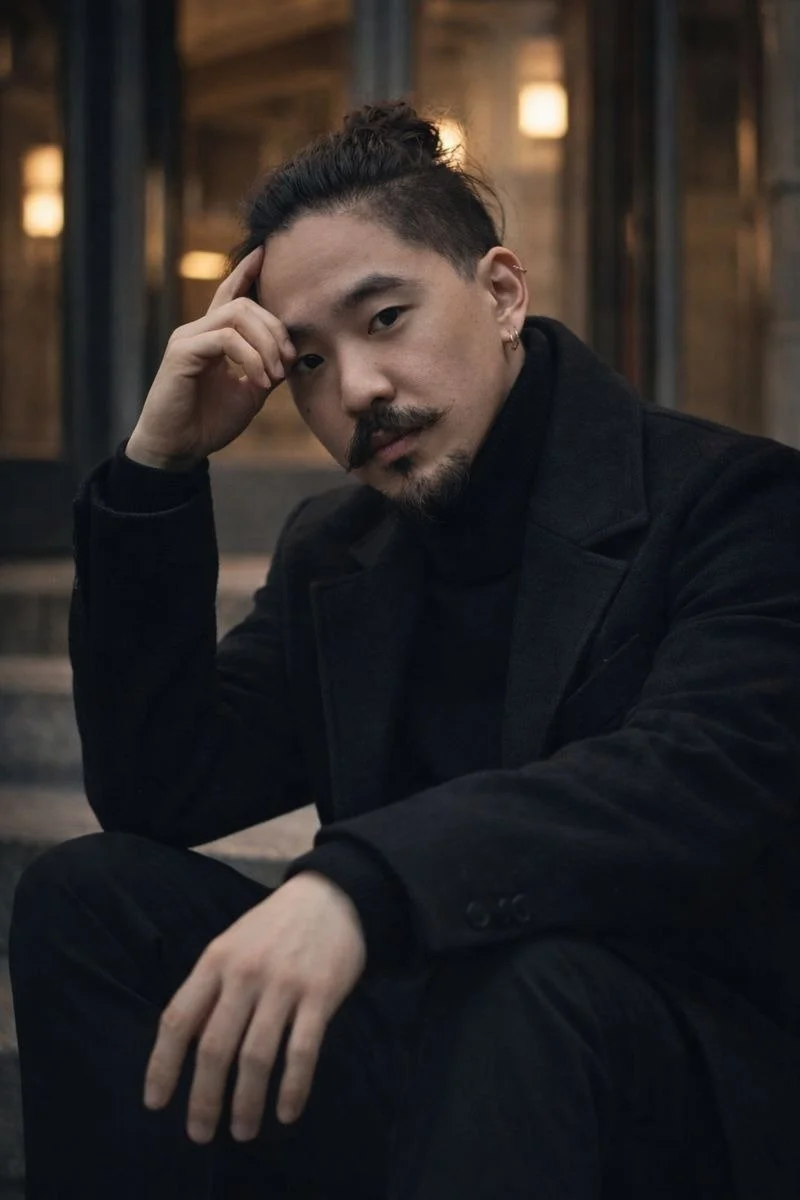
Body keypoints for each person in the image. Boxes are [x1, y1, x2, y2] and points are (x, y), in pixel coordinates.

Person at [9, 99, 800, 1199]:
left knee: (526, 981)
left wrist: (360, 887)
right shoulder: (339, 548)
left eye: (384, 319)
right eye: (307, 363)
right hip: (422, 1039)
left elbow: (685, 783)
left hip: (644, 1070)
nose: (357, 392)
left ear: (502, 292)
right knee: (89, 901)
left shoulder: (734, 500)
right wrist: (157, 467)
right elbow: (160, 787)